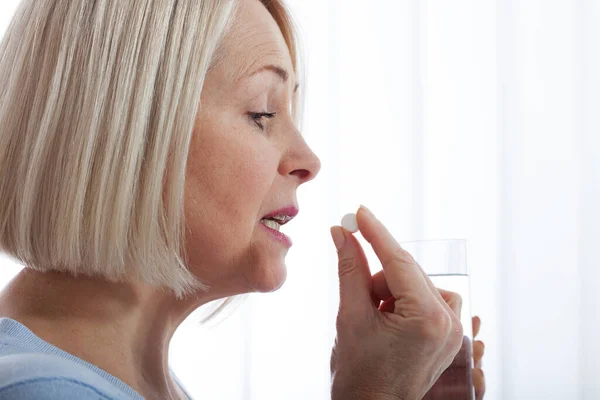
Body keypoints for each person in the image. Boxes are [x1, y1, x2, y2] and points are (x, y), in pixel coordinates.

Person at [0, 0, 485, 399]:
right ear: (125, 129)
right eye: (262, 112)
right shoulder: (43, 389)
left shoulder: (136, 384)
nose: (308, 160)